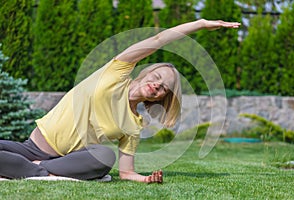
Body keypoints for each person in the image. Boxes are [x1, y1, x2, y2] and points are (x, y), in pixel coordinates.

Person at [0, 19, 240, 183]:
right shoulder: (117, 71)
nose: (157, 86)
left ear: (161, 98)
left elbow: (126, 172)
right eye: (157, 78)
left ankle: (28, 168)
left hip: (66, 162)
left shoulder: (135, 124)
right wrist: (199, 24)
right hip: (33, 147)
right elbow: (158, 40)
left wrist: (145, 179)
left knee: (105, 157)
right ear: (146, 72)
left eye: (163, 89)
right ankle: (33, 169)